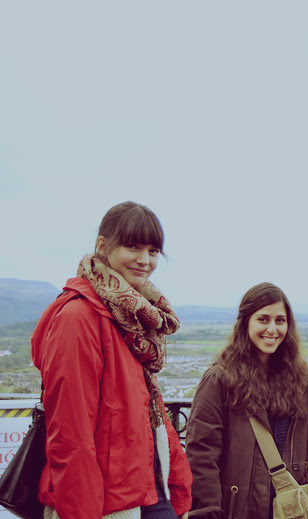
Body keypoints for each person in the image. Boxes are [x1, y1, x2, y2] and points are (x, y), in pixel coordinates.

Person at [30, 201, 193, 519]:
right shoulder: (79, 317)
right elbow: (71, 436)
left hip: (150, 491)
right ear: (103, 246)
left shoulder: (130, 316)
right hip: (109, 503)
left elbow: (150, 410)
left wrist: (179, 489)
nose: (144, 260)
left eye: (153, 251)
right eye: (133, 247)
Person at [186, 283, 308, 519]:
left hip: (292, 510)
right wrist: (208, 513)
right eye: (263, 319)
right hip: (239, 511)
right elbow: (202, 456)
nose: (272, 329)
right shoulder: (220, 379)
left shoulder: (303, 382)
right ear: (245, 323)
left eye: (280, 320)